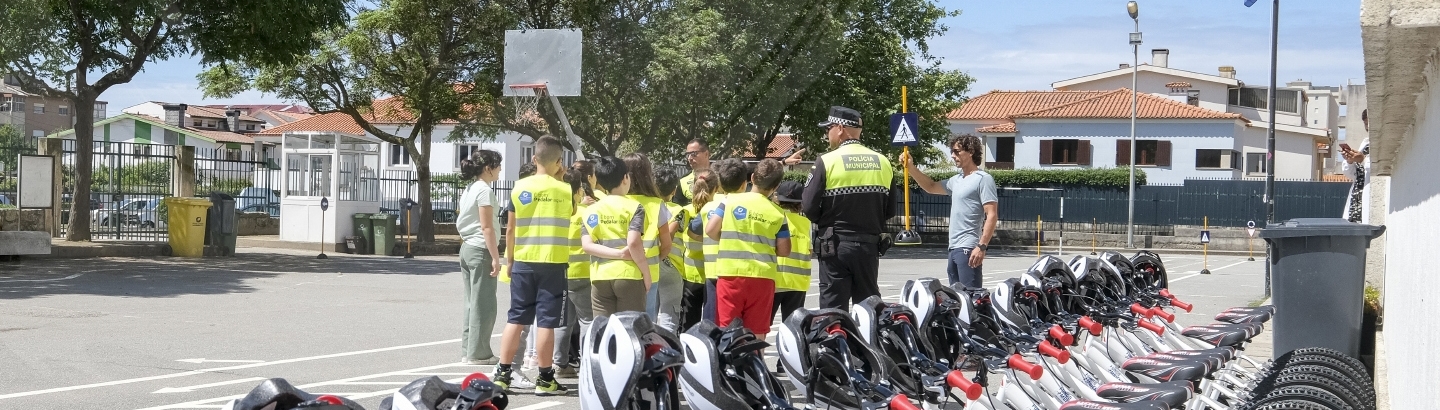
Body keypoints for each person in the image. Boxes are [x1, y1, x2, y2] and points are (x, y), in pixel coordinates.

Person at [494, 136, 572, 395]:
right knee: (547, 322)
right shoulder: (565, 189)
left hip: (524, 261)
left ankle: (503, 374)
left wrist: (509, 260)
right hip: (553, 261)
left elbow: (511, 228)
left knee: (516, 317)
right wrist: (559, 178)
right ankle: (545, 379)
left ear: (534, 158)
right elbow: (570, 213)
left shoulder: (519, 188)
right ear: (560, 161)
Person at [802, 106, 897, 309]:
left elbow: (808, 206)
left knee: (833, 309)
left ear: (840, 128)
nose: (827, 134)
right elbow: (890, 211)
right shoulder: (883, 162)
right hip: (869, 247)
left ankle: (835, 340)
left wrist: (825, 221)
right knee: (869, 307)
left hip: (835, 247)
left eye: (828, 128)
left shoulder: (826, 161)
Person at [706, 159, 791, 339]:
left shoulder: (730, 200)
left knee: (727, 331)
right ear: (776, 186)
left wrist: (729, 237)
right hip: (762, 277)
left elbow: (710, 229)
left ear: (752, 177)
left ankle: (728, 366)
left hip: (730, 275)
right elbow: (784, 250)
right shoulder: (777, 212)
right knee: (757, 332)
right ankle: (755, 363)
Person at [903, 135, 998, 288]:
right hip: (953, 248)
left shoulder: (983, 179)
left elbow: (992, 215)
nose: (953, 156)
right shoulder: (956, 180)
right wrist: (911, 168)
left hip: (968, 248)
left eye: (957, 151)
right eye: (952, 152)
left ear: (971, 151)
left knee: (971, 300)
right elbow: (931, 186)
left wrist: (981, 246)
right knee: (957, 302)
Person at [582, 156, 653, 318]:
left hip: (600, 277)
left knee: (604, 332)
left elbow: (587, 245)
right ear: (626, 178)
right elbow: (633, 242)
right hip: (629, 276)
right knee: (630, 331)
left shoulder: (591, 210)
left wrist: (616, 254)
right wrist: (646, 273)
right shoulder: (635, 207)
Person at [457, 149, 504, 366]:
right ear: (488, 168)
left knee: (471, 302)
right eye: (497, 165)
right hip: (480, 249)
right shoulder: (484, 191)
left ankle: (469, 350)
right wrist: (496, 256)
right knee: (484, 303)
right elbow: (487, 227)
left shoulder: (469, 188)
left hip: (468, 247)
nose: (500, 170)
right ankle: (480, 353)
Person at [621, 154, 676, 330]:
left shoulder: (616, 201)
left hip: (618, 269)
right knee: (646, 326)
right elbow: (667, 245)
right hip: (650, 272)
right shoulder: (656, 204)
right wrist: (654, 258)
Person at [552, 168, 594, 378]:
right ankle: (587, 363)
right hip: (584, 272)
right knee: (587, 320)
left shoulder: (558, 210)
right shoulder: (588, 212)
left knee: (563, 321)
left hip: (560, 270)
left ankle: (560, 363)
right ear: (579, 190)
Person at [771, 180, 812, 325]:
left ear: (778, 199)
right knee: (794, 327)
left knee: (764, 325)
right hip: (798, 283)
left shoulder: (774, 218)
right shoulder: (806, 223)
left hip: (775, 280)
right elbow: (810, 251)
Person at [679, 170, 716, 330]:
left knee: (688, 324)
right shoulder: (718, 210)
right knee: (711, 324)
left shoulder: (685, 210)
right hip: (712, 274)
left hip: (690, 273)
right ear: (716, 188)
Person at [654, 169, 687, 332]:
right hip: (671, 264)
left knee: (649, 314)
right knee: (669, 315)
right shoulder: (679, 211)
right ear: (674, 190)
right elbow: (670, 234)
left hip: (649, 262)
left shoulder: (647, 207)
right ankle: (668, 353)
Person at [1342, 109, 1371, 223]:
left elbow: (1377, 168)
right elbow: (1351, 175)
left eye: (1369, 123)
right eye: (1365, 123)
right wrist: (1350, 161)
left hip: (1370, 195)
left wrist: (1362, 160)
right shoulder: (1365, 143)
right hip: (1357, 195)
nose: (1367, 127)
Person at [676, 139, 711, 205]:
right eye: (687, 155)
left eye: (693, 154)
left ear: (706, 154)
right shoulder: (683, 180)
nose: (689, 158)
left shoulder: (719, 176)